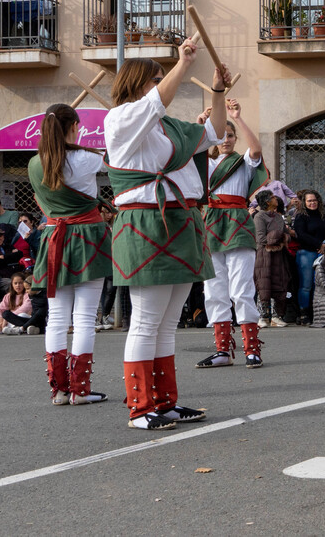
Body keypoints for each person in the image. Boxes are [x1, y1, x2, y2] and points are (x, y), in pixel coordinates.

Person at [103, 40, 227, 431]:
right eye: (156, 79)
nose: (164, 84)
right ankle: (140, 408)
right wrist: (183, 62)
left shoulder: (168, 126)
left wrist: (220, 92)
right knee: (146, 320)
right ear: (140, 84)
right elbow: (157, 100)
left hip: (180, 221)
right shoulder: (120, 119)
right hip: (145, 223)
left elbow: (215, 132)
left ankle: (164, 403)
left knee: (167, 322)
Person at [27, 103, 113, 406]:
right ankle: (80, 389)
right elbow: (111, 158)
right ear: (73, 126)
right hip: (87, 236)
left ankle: (60, 390)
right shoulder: (86, 159)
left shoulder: (34, 163)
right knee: (85, 317)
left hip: (54, 238)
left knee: (57, 318)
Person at [195, 99, 269, 370]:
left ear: (236, 138)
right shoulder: (207, 163)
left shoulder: (243, 163)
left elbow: (257, 149)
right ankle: (222, 350)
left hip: (237, 222)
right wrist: (200, 126)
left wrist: (238, 117)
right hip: (213, 223)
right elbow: (191, 154)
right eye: (221, 136)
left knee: (241, 289)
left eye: (230, 136)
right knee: (213, 290)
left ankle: (252, 349)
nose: (226, 140)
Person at [253, 190, 292, 327]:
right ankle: (262, 317)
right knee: (264, 284)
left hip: (279, 254)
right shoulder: (259, 217)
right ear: (267, 201)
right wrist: (277, 236)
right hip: (264, 254)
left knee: (278, 283)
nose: (276, 199)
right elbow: (261, 238)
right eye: (273, 197)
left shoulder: (277, 217)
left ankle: (276, 316)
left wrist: (283, 237)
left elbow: (287, 235)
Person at [292, 189, 325, 313]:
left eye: (314, 200)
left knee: (319, 285)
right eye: (309, 201)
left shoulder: (322, 216)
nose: (312, 203)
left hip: (322, 254)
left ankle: (317, 312)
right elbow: (301, 234)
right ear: (304, 202)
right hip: (306, 253)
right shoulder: (301, 216)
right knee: (306, 285)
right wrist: (319, 244)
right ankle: (303, 312)